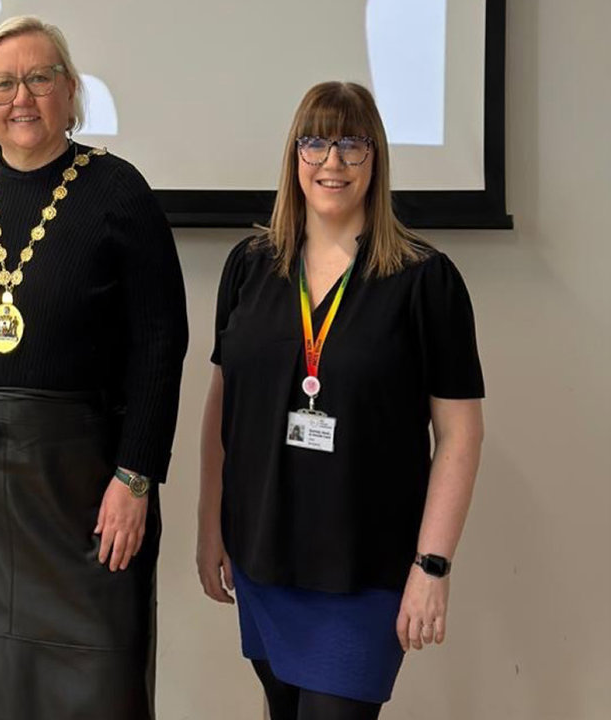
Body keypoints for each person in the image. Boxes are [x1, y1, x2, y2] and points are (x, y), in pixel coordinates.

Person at [0, 16, 188, 719]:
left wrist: (136, 476)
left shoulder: (118, 192)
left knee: (96, 676)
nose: (21, 97)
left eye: (39, 78)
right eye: (2, 83)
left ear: (70, 91)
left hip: (82, 477)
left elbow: (162, 343)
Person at [196, 81, 485, 719]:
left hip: (366, 568)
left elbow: (462, 435)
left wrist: (432, 567)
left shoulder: (424, 281)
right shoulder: (250, 266)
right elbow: (223, 406)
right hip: (263, 556)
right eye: (316, 142)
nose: (332, 162)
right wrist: (208, 524)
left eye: (352, 144)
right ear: (293, 155)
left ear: (376, 158)